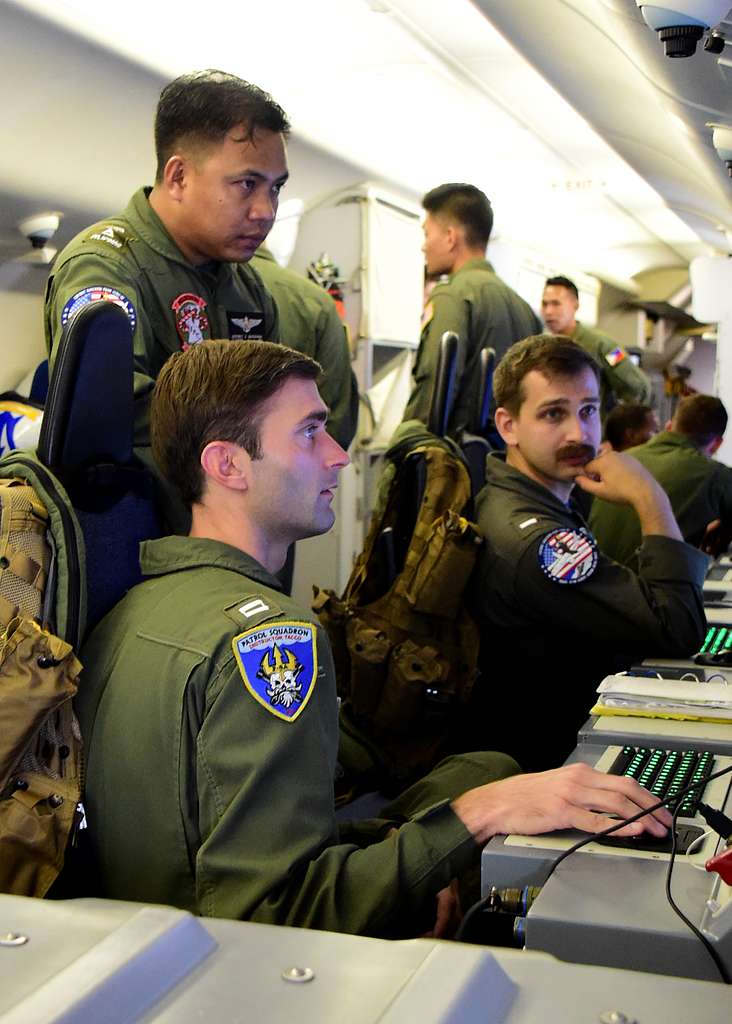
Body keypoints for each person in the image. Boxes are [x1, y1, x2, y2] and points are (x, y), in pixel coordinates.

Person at [74, 339, 671, 937]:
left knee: (484, 766)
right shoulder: (273, 642)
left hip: (147, 926)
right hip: (228, 964)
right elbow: (272, 915)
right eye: (310, 432)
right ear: (228, 465)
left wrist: (410, 835)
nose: (338, 456)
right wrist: (479, 816)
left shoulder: (130, 606)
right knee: (490, 798)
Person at [468, 335, 707, 772]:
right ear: (508, 426)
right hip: (557, 760)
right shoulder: (539, 544)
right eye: (553, 414)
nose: (579, 433)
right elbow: (679, 628)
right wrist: (649, 495)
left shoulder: (533, 499)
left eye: (589, 410)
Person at [44, 69, 289, 468]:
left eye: (275, 187)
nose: (266, 211)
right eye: (247, 183)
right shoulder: (104, 267)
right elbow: (110, 411)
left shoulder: (248, 289)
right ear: (178, 177)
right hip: (144, 519)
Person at [402, 183, 541, 437]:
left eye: (427, 234)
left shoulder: (452, 295)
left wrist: (407, 445)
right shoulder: (524, 309)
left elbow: (435, 388)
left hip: (461, 461)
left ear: (450, 237)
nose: (424, 246)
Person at [591, 394, 732, 566]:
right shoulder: (716, 475)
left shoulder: (621, 460)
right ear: (717, 443)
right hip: (650, 588)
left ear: (670, 426)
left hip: (591, 581)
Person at [251, 246, 358, 450]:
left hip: (210, 470)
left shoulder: (184, 288)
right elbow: (337, 414)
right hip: (299, 466)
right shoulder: (315, 301)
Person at [541, 276, 651, 417]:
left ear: (575, 305)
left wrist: (618, 431)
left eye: (556, 304)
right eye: (545, 304)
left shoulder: (605, 347)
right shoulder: (544, 348)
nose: (549, 311)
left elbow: (639, 388)